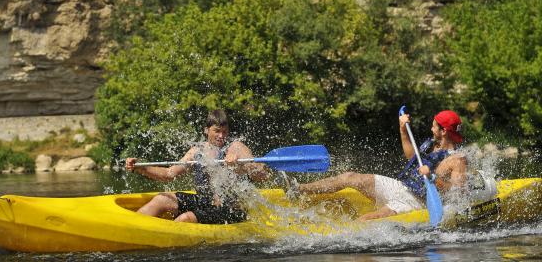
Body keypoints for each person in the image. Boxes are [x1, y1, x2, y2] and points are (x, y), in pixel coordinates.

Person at [296, 110, 469, 221]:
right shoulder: (433, 143)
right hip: (400, 186)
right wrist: (402, 129)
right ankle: (298, 190)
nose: (431, 129)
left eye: (434, 127)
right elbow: (412, 159)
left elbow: (458, 192)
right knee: (349, 176)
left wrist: (432, 177)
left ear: (444, 131)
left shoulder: (458, 160)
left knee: (366, 220)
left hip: (417, 202)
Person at [125, 109, 269, 224]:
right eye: (217, 131)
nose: (221, 136)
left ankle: (164, 240)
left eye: (224, 132)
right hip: (203, 202)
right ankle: (130, 228)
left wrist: (242, 165)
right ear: (206, 130)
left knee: (185, 218)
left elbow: (262, 175)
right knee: (161, 199)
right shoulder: (197, 151)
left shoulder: (236, 147)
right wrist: (141, 168)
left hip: (231, 210)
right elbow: (169, 174)